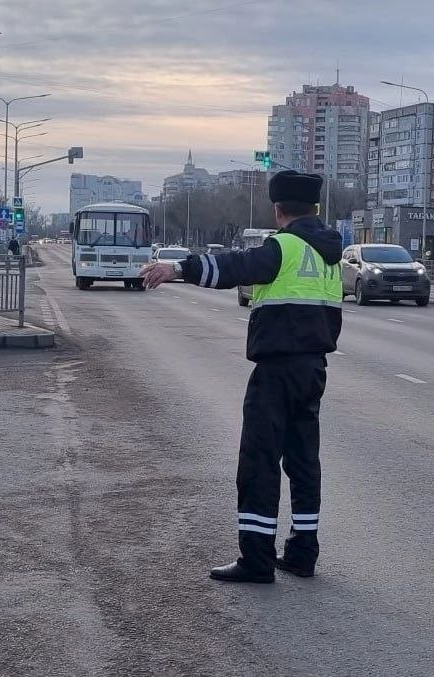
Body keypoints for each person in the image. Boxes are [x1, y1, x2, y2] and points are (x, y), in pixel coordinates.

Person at [141, 171, 342, 584]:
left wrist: (177, 269)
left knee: (259, 459)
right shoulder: (328, 255)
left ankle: (256, 559)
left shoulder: (283, 246)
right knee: (304, 461)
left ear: (277, 209)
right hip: (314, 368)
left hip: (277, 370)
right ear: (315, 208)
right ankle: (303, 551)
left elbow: (234, 266)